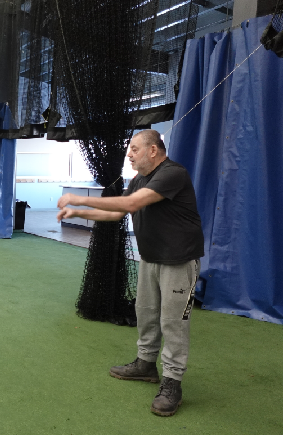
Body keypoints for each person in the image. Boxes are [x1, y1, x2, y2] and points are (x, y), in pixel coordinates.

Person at [56, 129, 203, 417]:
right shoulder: (139, 179)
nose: (129, 154)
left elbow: (130, 204)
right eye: (129, 149)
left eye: (135, 149)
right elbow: (116, 214)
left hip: (179, 261)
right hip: (150, 258)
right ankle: (146, 364)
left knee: (173, 322)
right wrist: (76, 213)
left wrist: (80, 199)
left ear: (153, 150)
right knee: (146, 312)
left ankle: (172, 382)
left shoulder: (173, 173)